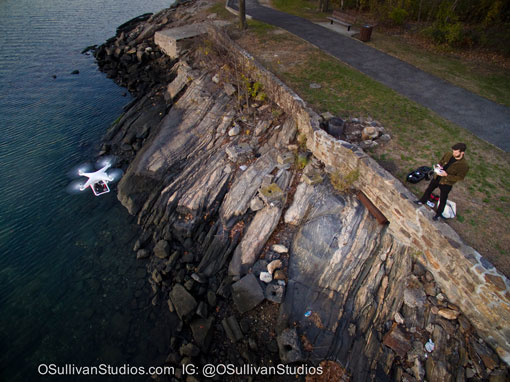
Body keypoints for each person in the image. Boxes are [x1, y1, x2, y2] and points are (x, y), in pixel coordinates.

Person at [415, 143, 469, 221]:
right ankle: (422, 201)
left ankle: (438, 214)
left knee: (443, 198)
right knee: (429, 189)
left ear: (462, 153)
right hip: (437, 177)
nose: (454, 154)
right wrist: (438, 167)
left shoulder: (464, 165)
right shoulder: (448, 154)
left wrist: (446, 175)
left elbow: (460, 177)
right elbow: (441, 162)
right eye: (453, 151)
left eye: (456, 152)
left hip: (446, 183)